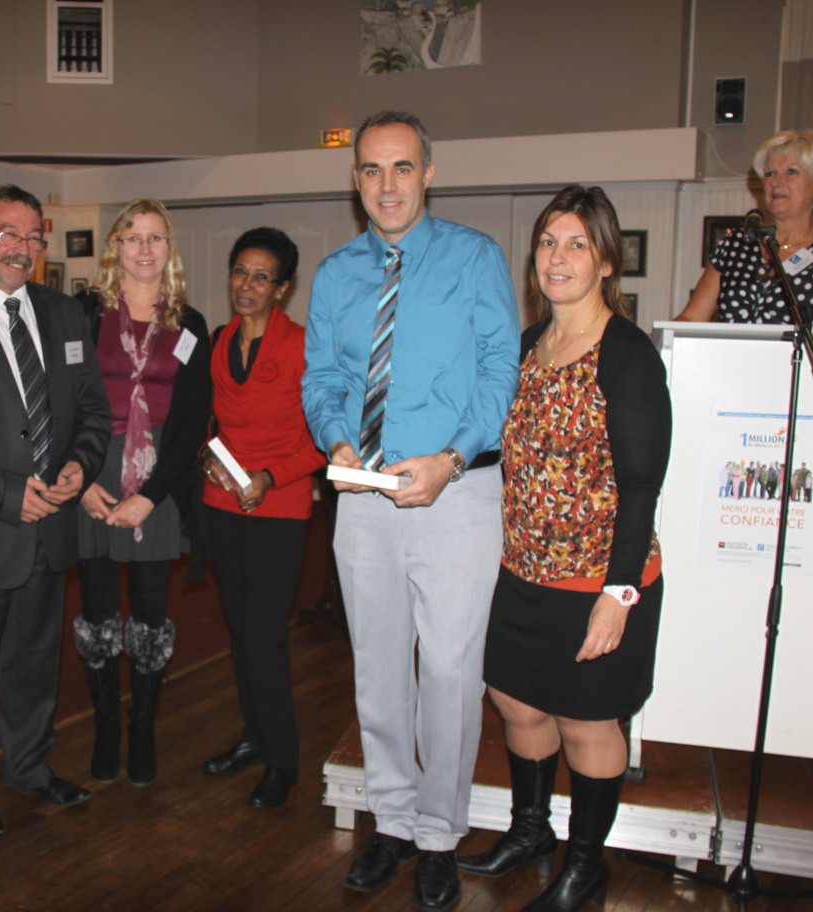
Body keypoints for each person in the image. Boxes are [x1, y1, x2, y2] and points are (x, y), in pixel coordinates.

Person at [302, 110, 521, 912]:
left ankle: (439, 831)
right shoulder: (335, 274)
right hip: (363, 497)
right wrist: (337, 440)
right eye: (370, 170)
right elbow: (320, 379)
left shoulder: (475, 258)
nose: (386, 185)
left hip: (457, 492)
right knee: (379, 671)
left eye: (401, 168)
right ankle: (391, 820)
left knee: (453, 674)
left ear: (429, 171)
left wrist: (454, 456)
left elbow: (502, 373)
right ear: (354, 180)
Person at [458, 185, 671, 912]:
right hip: (525, 572)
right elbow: (500, 450)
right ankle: (529, 831)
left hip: (599, 581)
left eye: (578, 243)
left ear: (607, 259)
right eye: (549, 241)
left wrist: (619, 596)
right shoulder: (528, 346)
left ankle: (586, 868)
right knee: (515, 702)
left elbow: (642, 483)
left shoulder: (627, 353)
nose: (559, 256)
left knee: (588, 721)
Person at [0, 185, 111, 840]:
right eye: (5, 234)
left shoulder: (65, 315)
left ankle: (31, 767)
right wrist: (6, 493)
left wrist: (79, 466)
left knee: (35, 662)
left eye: (33, 236)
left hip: (54, 525)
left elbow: (93, 409)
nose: (21, 248)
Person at [72, 199, 211, 787]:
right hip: (93, 467)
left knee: (151, 613)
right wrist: (77, 482)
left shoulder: (190, 324)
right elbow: (64, 401)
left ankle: (143, 730)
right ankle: (106, 728)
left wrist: (151, 496)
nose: (146, 249)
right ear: (116, 248)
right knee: (100, 610)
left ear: (169, 250)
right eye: (134, 238)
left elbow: (189, 424)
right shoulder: (82, 314)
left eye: (156, 239)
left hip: (160, 476)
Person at [200, 227, 326, 809]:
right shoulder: (220, 338)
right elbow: (214, 424)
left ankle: (283, 759)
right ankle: (255, 736)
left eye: (261, 277)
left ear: (282, 288)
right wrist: (209, 458)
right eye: (240, 272)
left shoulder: (304, 346)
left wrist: (271, 478)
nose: (247, 285)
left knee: (265, 640)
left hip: (278, 509)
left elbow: (323, 440)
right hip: (223, 508)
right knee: (240, 634)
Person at [675, 129, 813, 327]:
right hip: (733, 367)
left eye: (791, 172)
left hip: (801, 368)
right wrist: (645, 345)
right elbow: (692, 318)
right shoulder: (736, 245)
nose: (776, 182)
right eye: (770, 174)